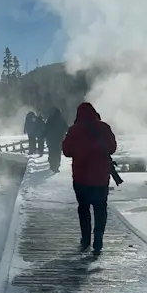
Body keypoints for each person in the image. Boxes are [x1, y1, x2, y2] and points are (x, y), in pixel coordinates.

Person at [62, 102, 117, 256]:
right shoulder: (104, 127)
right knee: (100, 207)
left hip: (81, 177)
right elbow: (112, 147)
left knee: (83, 208)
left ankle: (86, 239)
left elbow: (66, 151)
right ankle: (98, 235)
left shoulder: (74, 130)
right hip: (100, 177)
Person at [44, 107, 68, 173]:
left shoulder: (50, 119)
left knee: (52, 152)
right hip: (59, 139)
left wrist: (43, 135)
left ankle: (52, 165)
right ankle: (56, 166)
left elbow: (46, 128)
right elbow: (66, 128)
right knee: (57, 153)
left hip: (51, 139)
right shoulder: (62, 120)